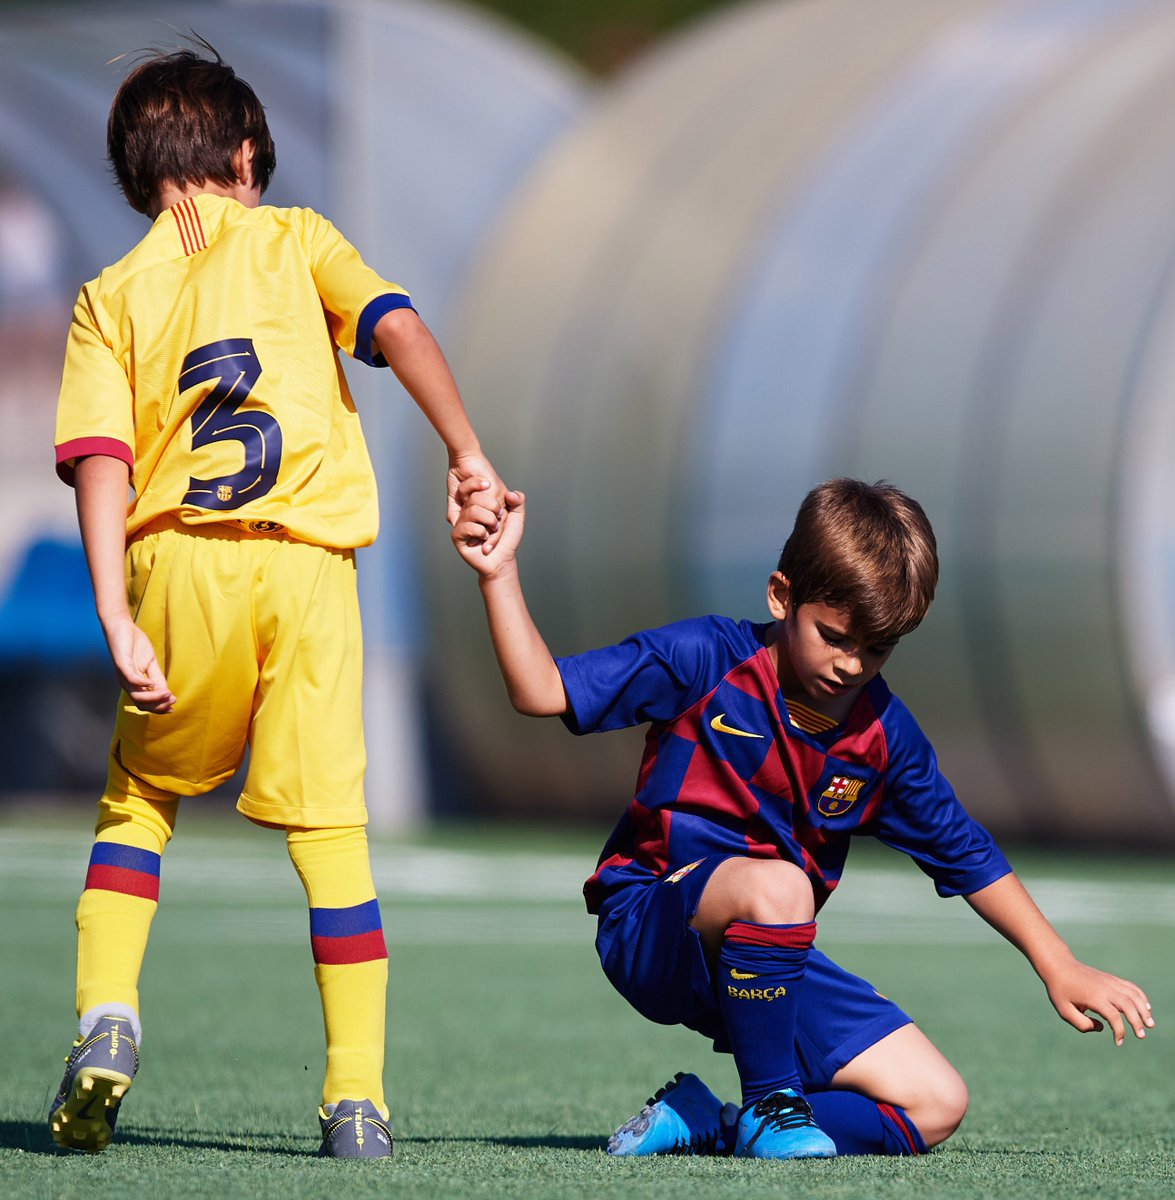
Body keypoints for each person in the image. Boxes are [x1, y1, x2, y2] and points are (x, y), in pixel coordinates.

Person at [49, 44, 504, 1158]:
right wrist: (467, 452)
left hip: (178, 566)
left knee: (138, 806)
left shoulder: (110, 296)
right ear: (246, 154)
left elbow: (101, 458)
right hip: (305, 565)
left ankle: (108, 1018)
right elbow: (396, 329)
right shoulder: (299, 239)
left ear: (136, 176)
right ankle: (356, 1099)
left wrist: (114, 613)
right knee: (333, 840)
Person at [450, 476, 1153, 1159]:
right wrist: (497, 572)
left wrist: (1056, 964)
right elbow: (540, 691)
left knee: (933, 1103)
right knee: (780, 886)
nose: (852, 664)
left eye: (876, 649)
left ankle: (715, 1121)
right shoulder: (706, 660)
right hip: (650, 924)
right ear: (781, 595)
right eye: (835, 636)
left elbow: (965, 853)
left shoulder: (884, 738)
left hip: (766, 953)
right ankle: (770, 1107)